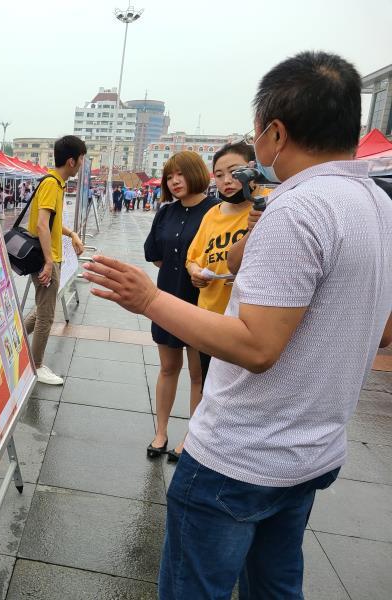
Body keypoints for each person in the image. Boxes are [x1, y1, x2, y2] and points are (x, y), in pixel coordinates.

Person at [83, 51, 392, 600]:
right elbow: (383, 331)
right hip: (311, 451)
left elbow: (256, 346)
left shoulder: (298, 209)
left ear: (276, 133)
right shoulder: (379, 206)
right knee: (275, 586)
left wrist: (150, 299)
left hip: (242, 456)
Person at [143, 151, 217, 462]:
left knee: (198, 374)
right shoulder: (166, 212)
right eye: (170, 176)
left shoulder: (215, 211)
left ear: (196, 173)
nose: (174, 181)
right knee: (168, 367)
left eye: (180, 174)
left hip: (201, 302)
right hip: (167, 297)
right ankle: (160, 432)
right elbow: (154, 254)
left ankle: (191, 438)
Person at [186, 141, 259, 384]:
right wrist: (196, 272)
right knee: (208, 386)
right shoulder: (213, 214)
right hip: (211, 319)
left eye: (235, 172)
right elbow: (193, 257)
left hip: (248, 323)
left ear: (253, 169)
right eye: (219, 175)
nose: (227, 180)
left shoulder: (269, 204)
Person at [24, 135, 85, 385]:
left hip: (49, 257)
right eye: (81, 159)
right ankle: (36, 366)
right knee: (46, 317)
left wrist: (71, 234)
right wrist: (49, 262)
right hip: (45, 259)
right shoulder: (52, 184)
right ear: (71, 161)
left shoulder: (55, 183)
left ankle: (15, 341)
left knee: (42, 310)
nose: (82, 164)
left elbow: (52, 223)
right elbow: (41, 225)